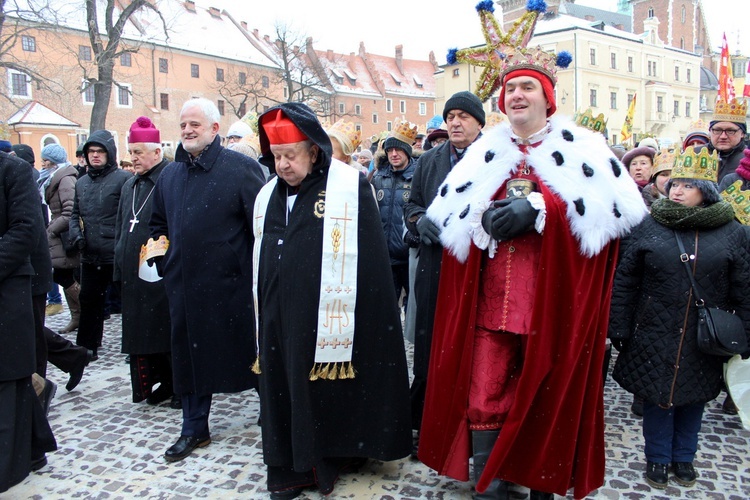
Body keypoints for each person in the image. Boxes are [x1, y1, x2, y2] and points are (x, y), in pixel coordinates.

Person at [417, 5, 648, 498]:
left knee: (546, 397)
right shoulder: (484, 153)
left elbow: (609, 226)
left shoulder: (582, 149)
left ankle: (541, 479)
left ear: (548, 98)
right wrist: (471, 219)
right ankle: (493, 482)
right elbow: (450, 224)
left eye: (527, 87)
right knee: (482, 394)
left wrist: (546, 208)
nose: (516, 95)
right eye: (510, 88)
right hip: (488, 307)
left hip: (551, 308)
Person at [253, 102, 411, 499]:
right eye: (276, 157)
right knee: (285, 387)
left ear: (314, 151)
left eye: (291, 156)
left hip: (330, 312)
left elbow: (371, 259)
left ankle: (325, 458)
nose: (283, 166)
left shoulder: (348, 185)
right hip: (279, 315)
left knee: (321, 391)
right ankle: (289, 466)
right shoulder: (267, 194)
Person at [609, 146, 750, 489]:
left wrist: (744, 332)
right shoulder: (650, 224)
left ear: (706, 191)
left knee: (695, 397)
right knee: (658, 398)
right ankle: (657, 458)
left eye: (687, 185)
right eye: (674, 184)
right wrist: (620, 326)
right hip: (654, 329)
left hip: (703, 335)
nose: (677, 190)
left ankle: (684, 457)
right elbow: (626, 279)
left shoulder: (731, 231)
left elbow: (743, 284)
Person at [149, 97, 265, 463]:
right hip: (184, 287)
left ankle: (275, 411)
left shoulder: (241, 169)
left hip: (233, 287)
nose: (187, 130)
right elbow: (157, 225)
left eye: (195, 124)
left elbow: (260, 227)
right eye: (183, 124)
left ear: (215, 129)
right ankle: (194, 428)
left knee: (252, 353)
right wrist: (158, 256)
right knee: (189, 360)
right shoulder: (170, 174)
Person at [403, 90, 485, 448]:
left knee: (471, 344)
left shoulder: (493, 157)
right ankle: (424, 420)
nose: (455, 122)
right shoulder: (430, 159)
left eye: (463, 116)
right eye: (450, 115)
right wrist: (418, 220)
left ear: (479, 122)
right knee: (428, 341)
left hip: (476, 265)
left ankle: (469, 426)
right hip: (434, 263)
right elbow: (414, 204)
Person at [0, 152, 57, 493]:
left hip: (8, 285)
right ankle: (34, 449)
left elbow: (25, 229)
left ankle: (8, 466)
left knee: (7, 375)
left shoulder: (13, 171)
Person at [114, 117, 176, 408]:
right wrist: (118, 263)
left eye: (138, 152)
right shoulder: (130, 185)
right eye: (131, 151)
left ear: (156, 152)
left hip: (160, 270)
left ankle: (178, 386)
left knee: (164, 330)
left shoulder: (169, 178)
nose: (133, 157)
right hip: (133, 274)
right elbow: (120, 226)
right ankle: (159, 382)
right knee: (142, 332)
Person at [69, 131, 131, 358]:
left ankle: (135, 347)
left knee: (128, 302)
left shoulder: (123, 179)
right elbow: (74, 214)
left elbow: (127, 215)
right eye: (91, 152)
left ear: (109, 153)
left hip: (116, 253)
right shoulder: (82, 182)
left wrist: (123, 245)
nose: (95, 156)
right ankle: (87, 346)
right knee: (89, 300)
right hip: (90, 253)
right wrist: (76, 235)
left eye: (100, 151)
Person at [371, 120, 419, 315]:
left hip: (409, 253)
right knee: (387, 306)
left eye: (398, 150)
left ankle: (413, 342)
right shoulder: (378, 177)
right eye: (390, 151)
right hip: (386, 255)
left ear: (407, 152)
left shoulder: (418, 176)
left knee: (414, 306)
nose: (394, 154)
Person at [41, 144, 81, 334]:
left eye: (45, 159)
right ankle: (77, 315)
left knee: (64, 275)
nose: (42, 163)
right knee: (62, 274)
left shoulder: (64, 179)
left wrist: (51, 230)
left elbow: (69, 210)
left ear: (51, 161)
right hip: (59, 232)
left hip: (63, 233)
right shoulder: (55, 177)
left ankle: (84, 310)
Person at [708, 97, 748, 182]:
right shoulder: (694, 154)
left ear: (742, 134)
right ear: (710, 131)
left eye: (730, 131)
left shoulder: (748, 160)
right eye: (717, 130)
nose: (723, 136)